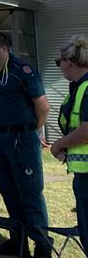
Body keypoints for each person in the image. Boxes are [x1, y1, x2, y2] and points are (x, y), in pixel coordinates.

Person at [0, 30, 52, 257]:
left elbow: (43, 106)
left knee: (29, 192)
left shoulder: (23, 71)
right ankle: (17, 241)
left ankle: (42, 244)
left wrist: (34, 130)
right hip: (1, 137)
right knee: (8, 189)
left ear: (4, 48)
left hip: (23, 137)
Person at [50, 35, 88, 251]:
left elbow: (86, 130)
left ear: (70, 63)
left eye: (59, 62)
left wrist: (58, 145)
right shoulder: (78, 88)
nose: (59, 67)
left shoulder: (86, 88)